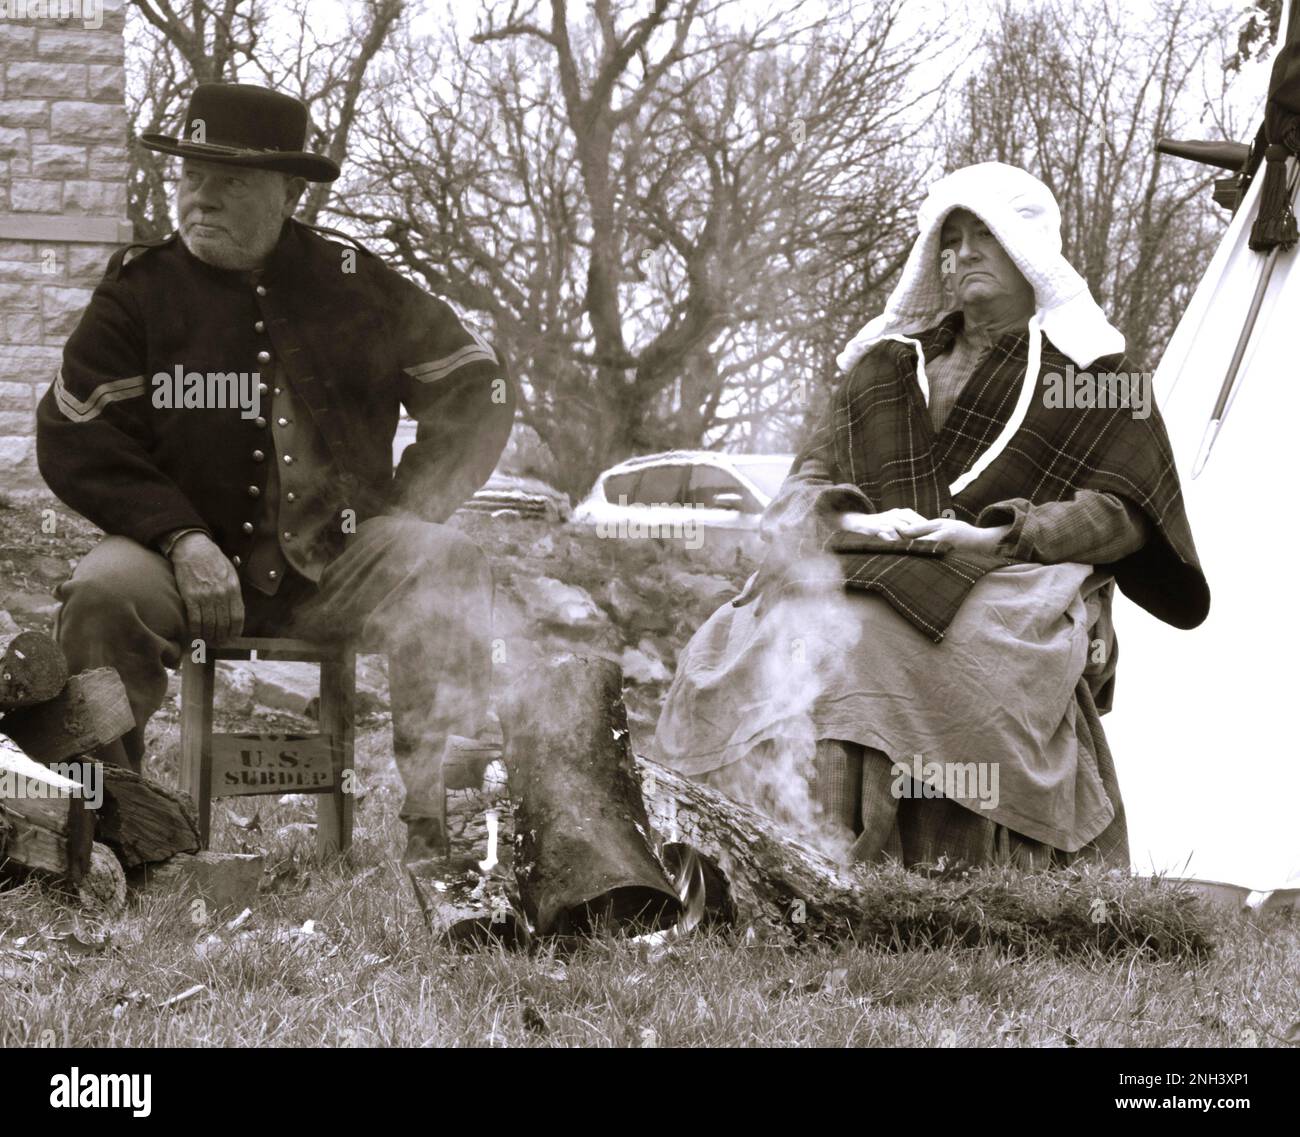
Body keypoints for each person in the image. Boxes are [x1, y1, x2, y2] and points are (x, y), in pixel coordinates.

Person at [651, 162, 1209, 869]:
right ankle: (748, 856)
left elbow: (1124, 514)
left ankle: (892, 867)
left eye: (986, 235)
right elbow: (800, 489)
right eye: (952, 238)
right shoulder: (881, 369)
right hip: (858, 561)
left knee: (865, 639)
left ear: (1030, 251)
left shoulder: (1095, 372)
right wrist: (854, 524)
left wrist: (998, 533)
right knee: (733, 638)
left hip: (1007, 577)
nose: (964, 251)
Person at [35, 82, 515, 866]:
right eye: (191, 175)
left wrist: (407, 509)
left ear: (291, 193)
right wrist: (180, 534)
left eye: (230, 180)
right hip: (176, 569)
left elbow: (478, 385)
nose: (202, 197)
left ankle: (455, 843)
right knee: (102, 592)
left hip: (343, 571)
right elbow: (73, 430)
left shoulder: (357, 281)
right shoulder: (139, 293)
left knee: (448, 565)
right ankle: (108, 836)